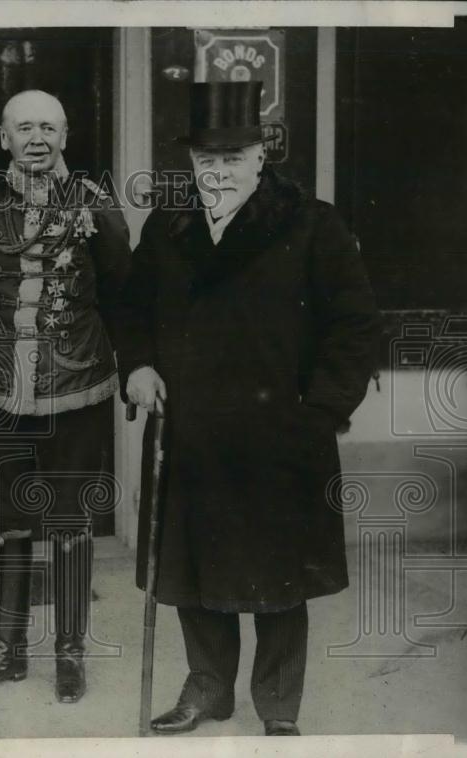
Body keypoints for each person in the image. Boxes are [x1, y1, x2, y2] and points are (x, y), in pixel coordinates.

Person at [113, 81, 379, 737]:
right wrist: (139, 365)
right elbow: (129, 307)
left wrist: (318, 413)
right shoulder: (168, 228)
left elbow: (356, 328)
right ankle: (208, 689)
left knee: (278, 579)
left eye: (233, 157)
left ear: (261, 157)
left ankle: (278, 705)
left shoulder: (313, 224)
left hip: (279, 434)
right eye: (207, 159)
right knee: (192, 569)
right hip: (189, 432)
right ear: (192, 164)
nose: (218, 171)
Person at [0, 89, 131, 704]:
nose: (37, 138)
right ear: (3, 138)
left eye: (49, 128)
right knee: (8, 521)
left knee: (71, 521)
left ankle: (69, 653)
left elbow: (124, 288)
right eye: (24, 128)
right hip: (2, 389)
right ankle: (6, 652)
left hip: (77, 385)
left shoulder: (95, 202)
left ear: (65, 137)